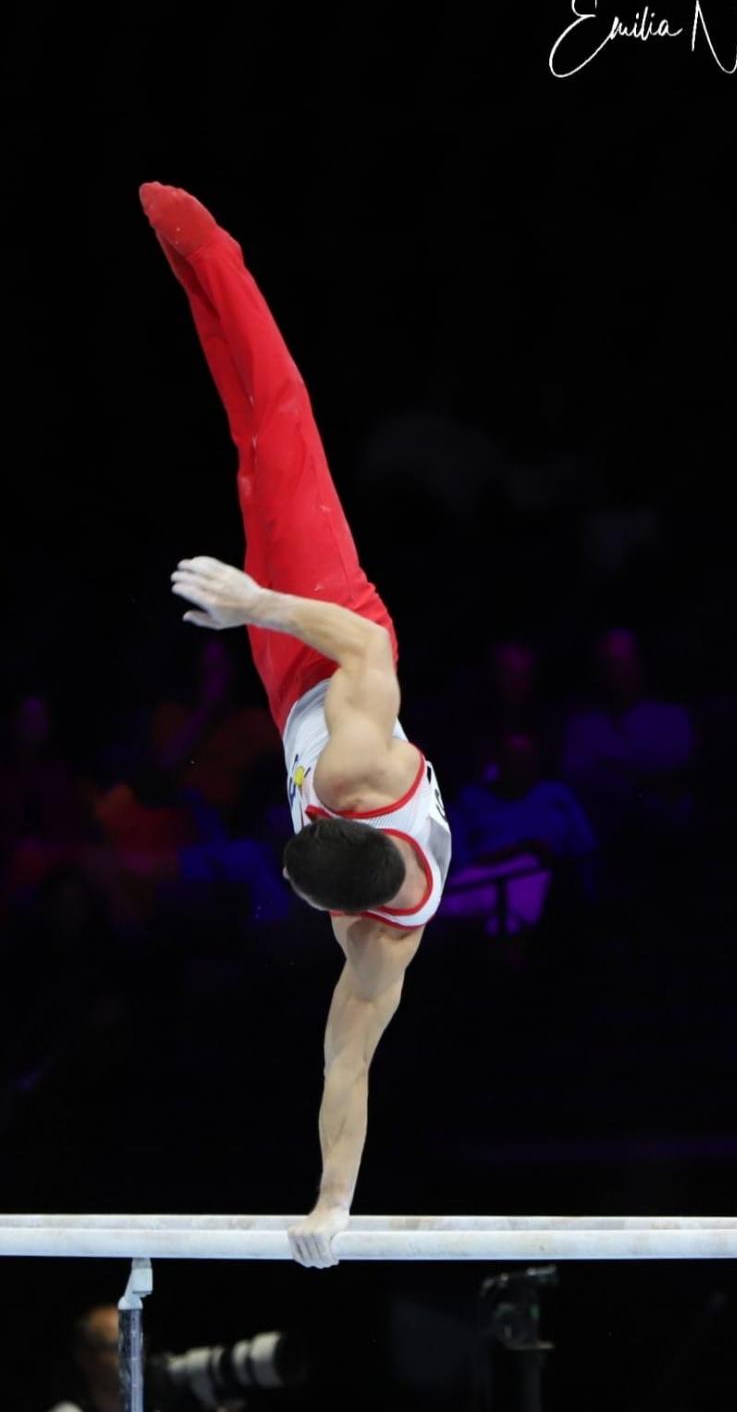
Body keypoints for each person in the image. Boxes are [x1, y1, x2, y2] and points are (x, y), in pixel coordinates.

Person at [139, 183, 452, 1269]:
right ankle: (215, 252)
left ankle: (195, 286)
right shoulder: (367, 780)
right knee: (280, 423)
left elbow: (344, 1073)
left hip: (284, 696)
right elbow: (372, 653)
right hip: (327, 630)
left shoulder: (363, 921)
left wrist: (333, 1205)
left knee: (242, 451)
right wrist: (255, 602)